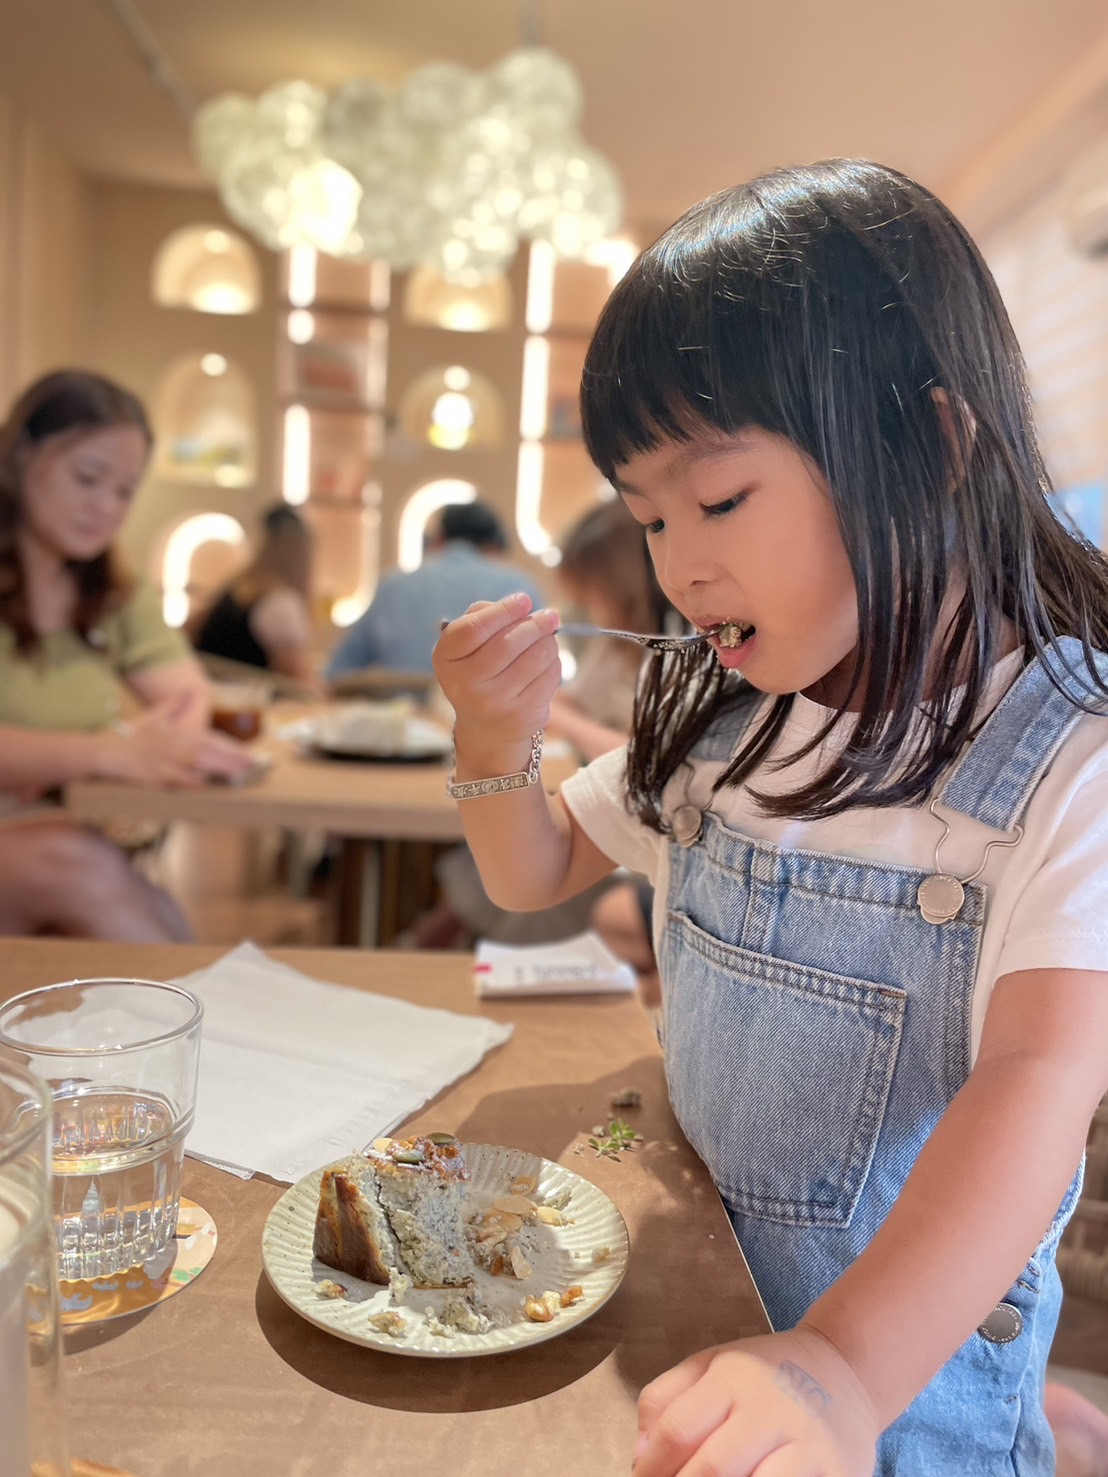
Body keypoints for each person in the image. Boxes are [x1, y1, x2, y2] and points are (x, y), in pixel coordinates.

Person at [433, 160, 1108, 1476]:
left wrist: (846, 1366)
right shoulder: (725, 705)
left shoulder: (1066, 749)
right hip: (681, 1318)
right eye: (649, 518)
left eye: (721, 499)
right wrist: (490, 741)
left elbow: (1043, 1079)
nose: (681, 564)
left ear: (927, 446)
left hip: (895, 1404)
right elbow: (532, 869)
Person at [0, 368, 256, 941]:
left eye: (125, 490)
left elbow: (188, 695)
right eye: (88, 477)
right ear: (20, 456)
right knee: (86, 872)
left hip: (61, 827)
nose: (107, 507)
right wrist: (104, 753)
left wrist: (54, 759)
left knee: (158, 917)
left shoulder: (109, 587)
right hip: (52, 841)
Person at [415, 497, 669, 949]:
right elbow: (573, 706)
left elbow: (644, 754)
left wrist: (557, 718)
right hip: (598, 817)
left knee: (527, 887)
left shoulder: (669, 657)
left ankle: (451, 951)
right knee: (499, 859)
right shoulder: (616, 649)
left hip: (639, 848)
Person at [325, 498, 544, 680]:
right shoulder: (518, 589)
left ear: (438, 538)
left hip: (402, 722)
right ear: (494, 546)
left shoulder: (393, 585)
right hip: (486, 722)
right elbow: (543, 677)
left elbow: (340, 671)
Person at [192, 502, 320, 689]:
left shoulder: (232, 591)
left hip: (208, 693)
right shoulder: (281, 603)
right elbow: (298, 681)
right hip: (246, 705)